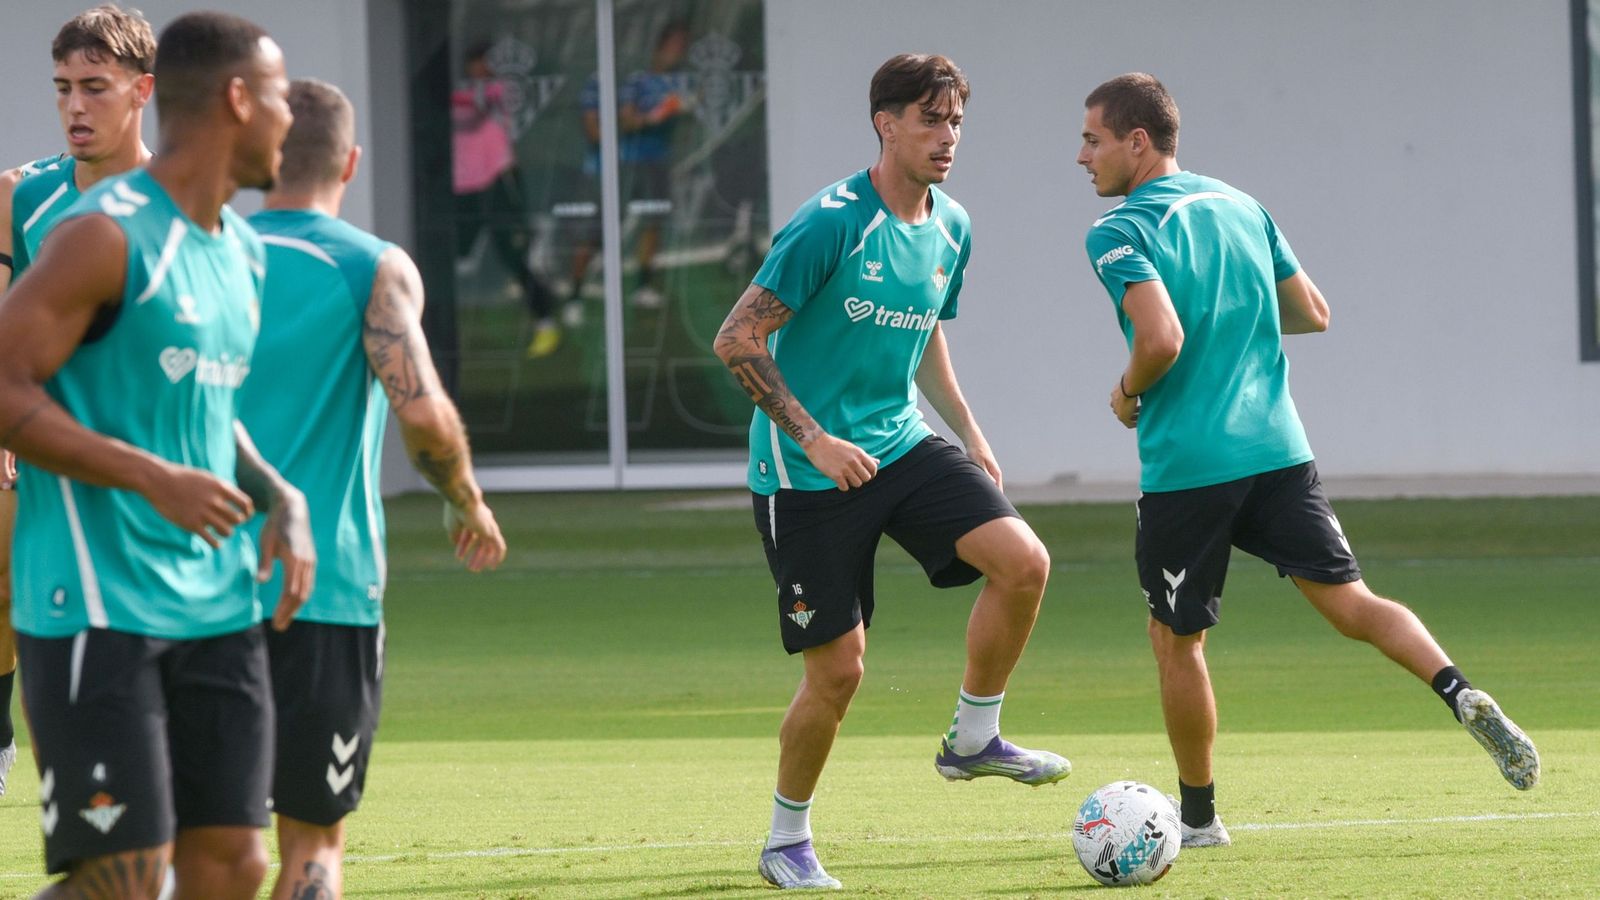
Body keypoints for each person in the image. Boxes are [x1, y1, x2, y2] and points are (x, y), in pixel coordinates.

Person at [1075, 72, 1540, 849]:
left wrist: (1125, 394)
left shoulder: (1120, 231)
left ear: (1137, 142)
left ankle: (1198, 821)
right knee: (1352, 603)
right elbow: (1313, 313)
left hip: (1191, 466)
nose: (1081, 157)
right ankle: (1458, 691)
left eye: (1091, 140)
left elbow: (1159, 339)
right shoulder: (1240, 205)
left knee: (1176, 640)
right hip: (1279, 448)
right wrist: (1234, 312)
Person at [714, 53, 1067, 891]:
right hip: (804, 474)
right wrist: (815, 440)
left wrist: (970, 431)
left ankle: (973, 739)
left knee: (1024, 562)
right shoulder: (831, 222)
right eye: (931, 120)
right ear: (887, 124)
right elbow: (736, 339)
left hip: (901, 442)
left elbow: (927, 329)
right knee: (839, 671)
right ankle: (785, 840)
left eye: (956, 123)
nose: (948, 138)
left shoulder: (953, 225)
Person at [0, 12, 311, 898]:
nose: (294, 121)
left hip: (215, 600)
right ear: (240, 100)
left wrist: (276, 493)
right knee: (125, 880)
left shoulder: (243, 255)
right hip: (96, 604)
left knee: (234, 864)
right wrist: (150, 477)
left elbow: (207, 413)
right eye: (282, 99)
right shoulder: (102, 234)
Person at [238, 77, 508, 900]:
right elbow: (423, 418)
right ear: (351, 161)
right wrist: (466, 499)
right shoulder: (369, 265)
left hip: (192, 585)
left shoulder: (205, 254)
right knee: (314, 846)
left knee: (206, 846)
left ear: (265, 154)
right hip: (324, 588)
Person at [0, 2, 157, 797]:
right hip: (42, 444)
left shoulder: (185, 203)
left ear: (142, 92)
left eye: (94, 87)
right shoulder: (23, 195)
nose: (73, 106)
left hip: (147, 456)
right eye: (62, 87)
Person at [452, 40, 562, 358]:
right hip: (463, 191)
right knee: (448, 257)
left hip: (497, 184)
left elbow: (484, 113)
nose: (481, 69)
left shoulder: (496, 94)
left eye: (485, 63)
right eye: (477, 63)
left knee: (514, 259)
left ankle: (546, 323)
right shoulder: (457, 98)